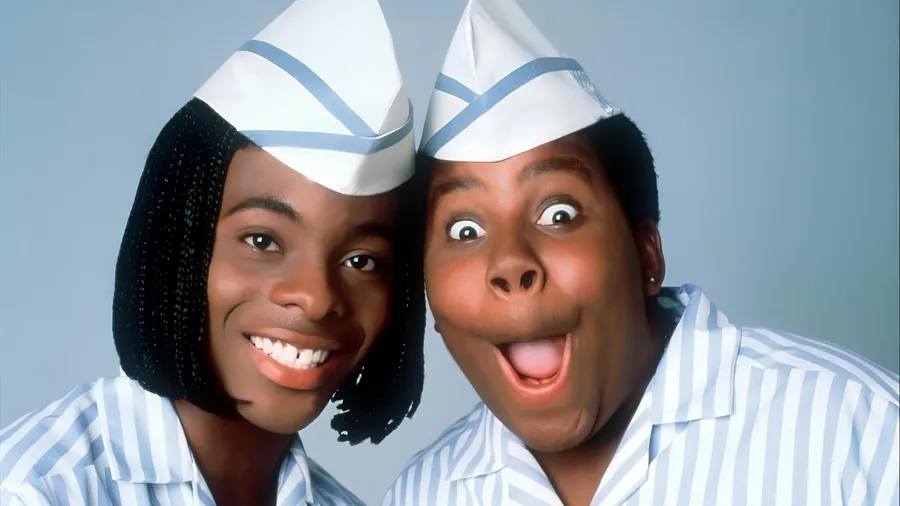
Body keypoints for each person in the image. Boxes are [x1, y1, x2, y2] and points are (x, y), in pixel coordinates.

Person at [382, 0, 900, 504]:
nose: (511, 264)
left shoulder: (858, 436)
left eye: (558, 214)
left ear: (646, 256)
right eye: (466, 230)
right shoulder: (424, 494)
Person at [0, 1, 426, 504]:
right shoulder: (37, 491)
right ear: (177, 247)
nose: (315, 298)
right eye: (262, 241)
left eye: (361, 261)